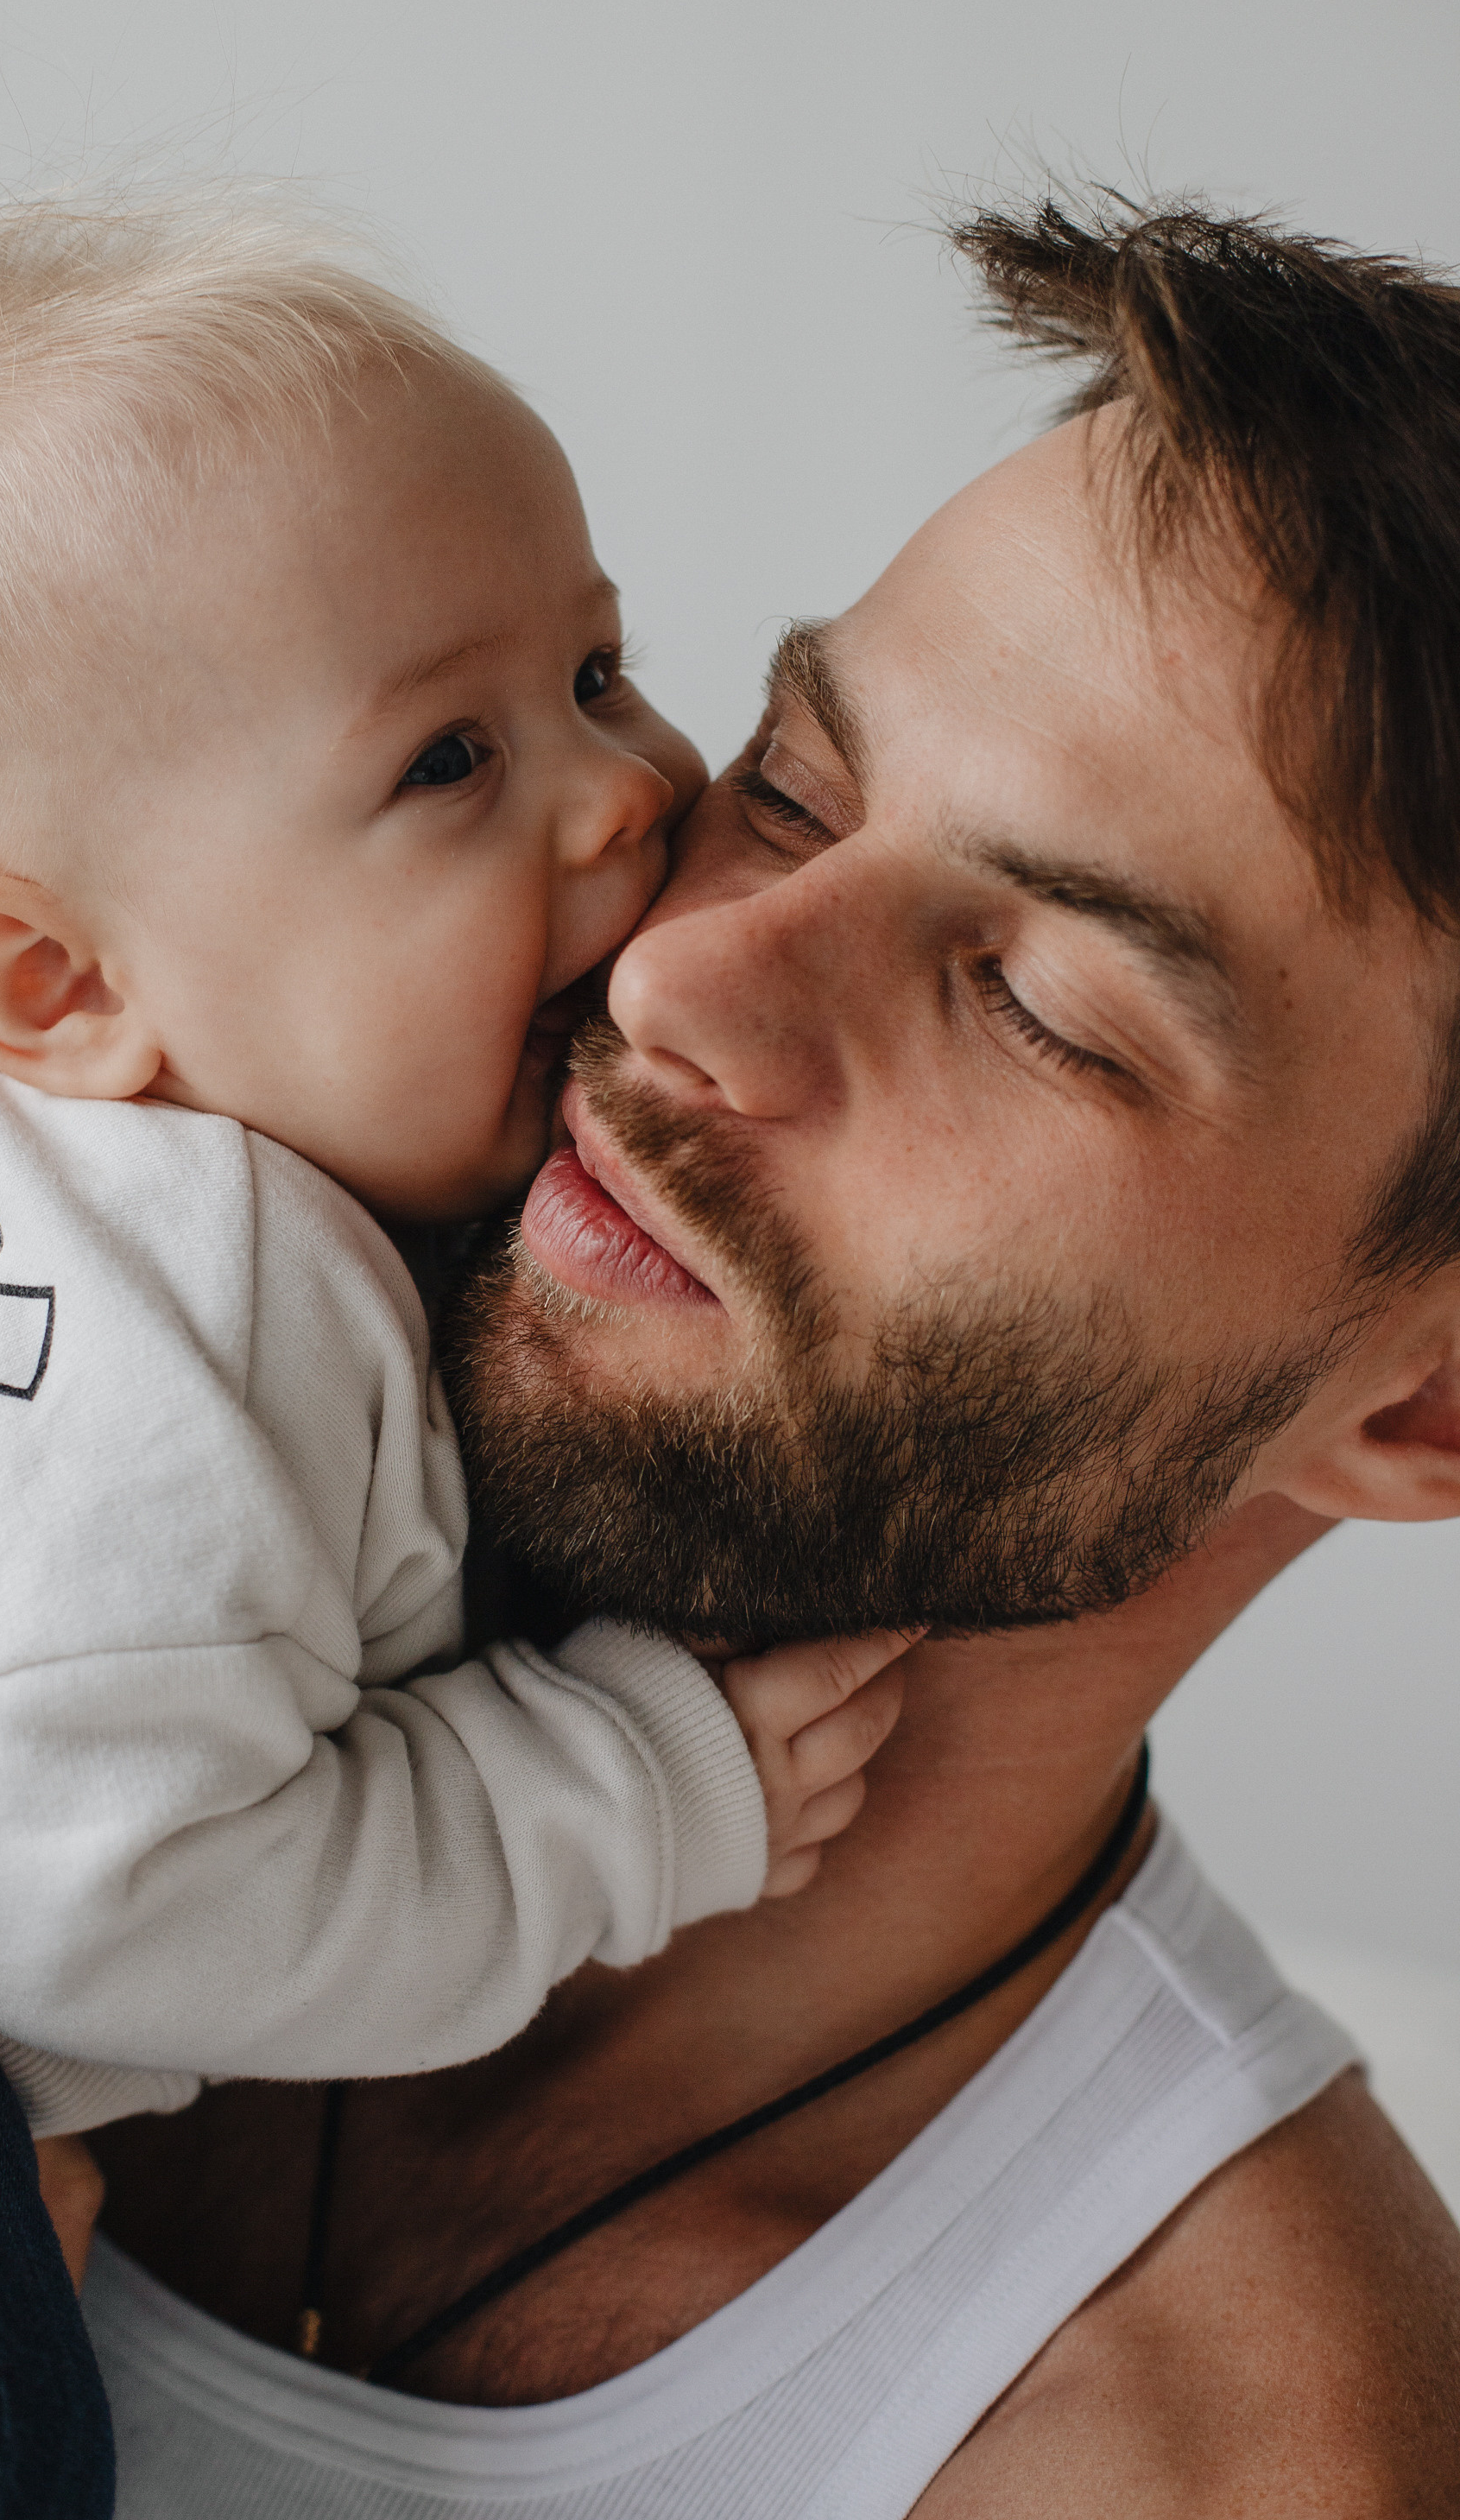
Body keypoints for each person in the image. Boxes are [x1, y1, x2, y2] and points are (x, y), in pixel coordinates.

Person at [83, 194, 1460, 2513]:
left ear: (1419, 1405)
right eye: (797, 787)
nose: (680, 982)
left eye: (1034, 1002)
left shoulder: (1200, 2458)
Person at [0, 182, 906, 2518]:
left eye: (593, 669)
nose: (627, 789)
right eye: (444, 766)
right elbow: (116, 1901)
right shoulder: (208, 1268)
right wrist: (635, 1793)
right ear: (60, 988)